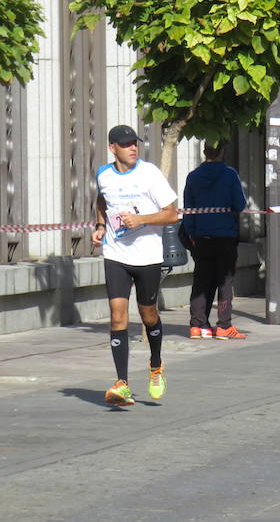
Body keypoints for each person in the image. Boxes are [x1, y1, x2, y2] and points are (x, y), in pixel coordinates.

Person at [92, 125, 178, 407]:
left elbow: (171, 214)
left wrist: (141, 220)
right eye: (126, 144)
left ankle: (155, 365)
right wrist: (100, 225)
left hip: (147, 257)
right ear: (112, 148)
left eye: (134, 143)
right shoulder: (103, 174)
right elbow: (102, 199)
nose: (132, 148)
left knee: (148, 314)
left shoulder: (149, 173)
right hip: (115, 254)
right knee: (117, 315)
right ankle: (122, 383)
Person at [183, 142, 248, 340]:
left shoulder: (193, 177)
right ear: (222, 152)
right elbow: (240, 204)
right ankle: (224, 325)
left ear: (204, 152)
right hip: (225, 236)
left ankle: (197, 325)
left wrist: (192, 235)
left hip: (201, 237)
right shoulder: (230, 175)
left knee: (201, 280)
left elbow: (188, 210)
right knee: (225, 281)